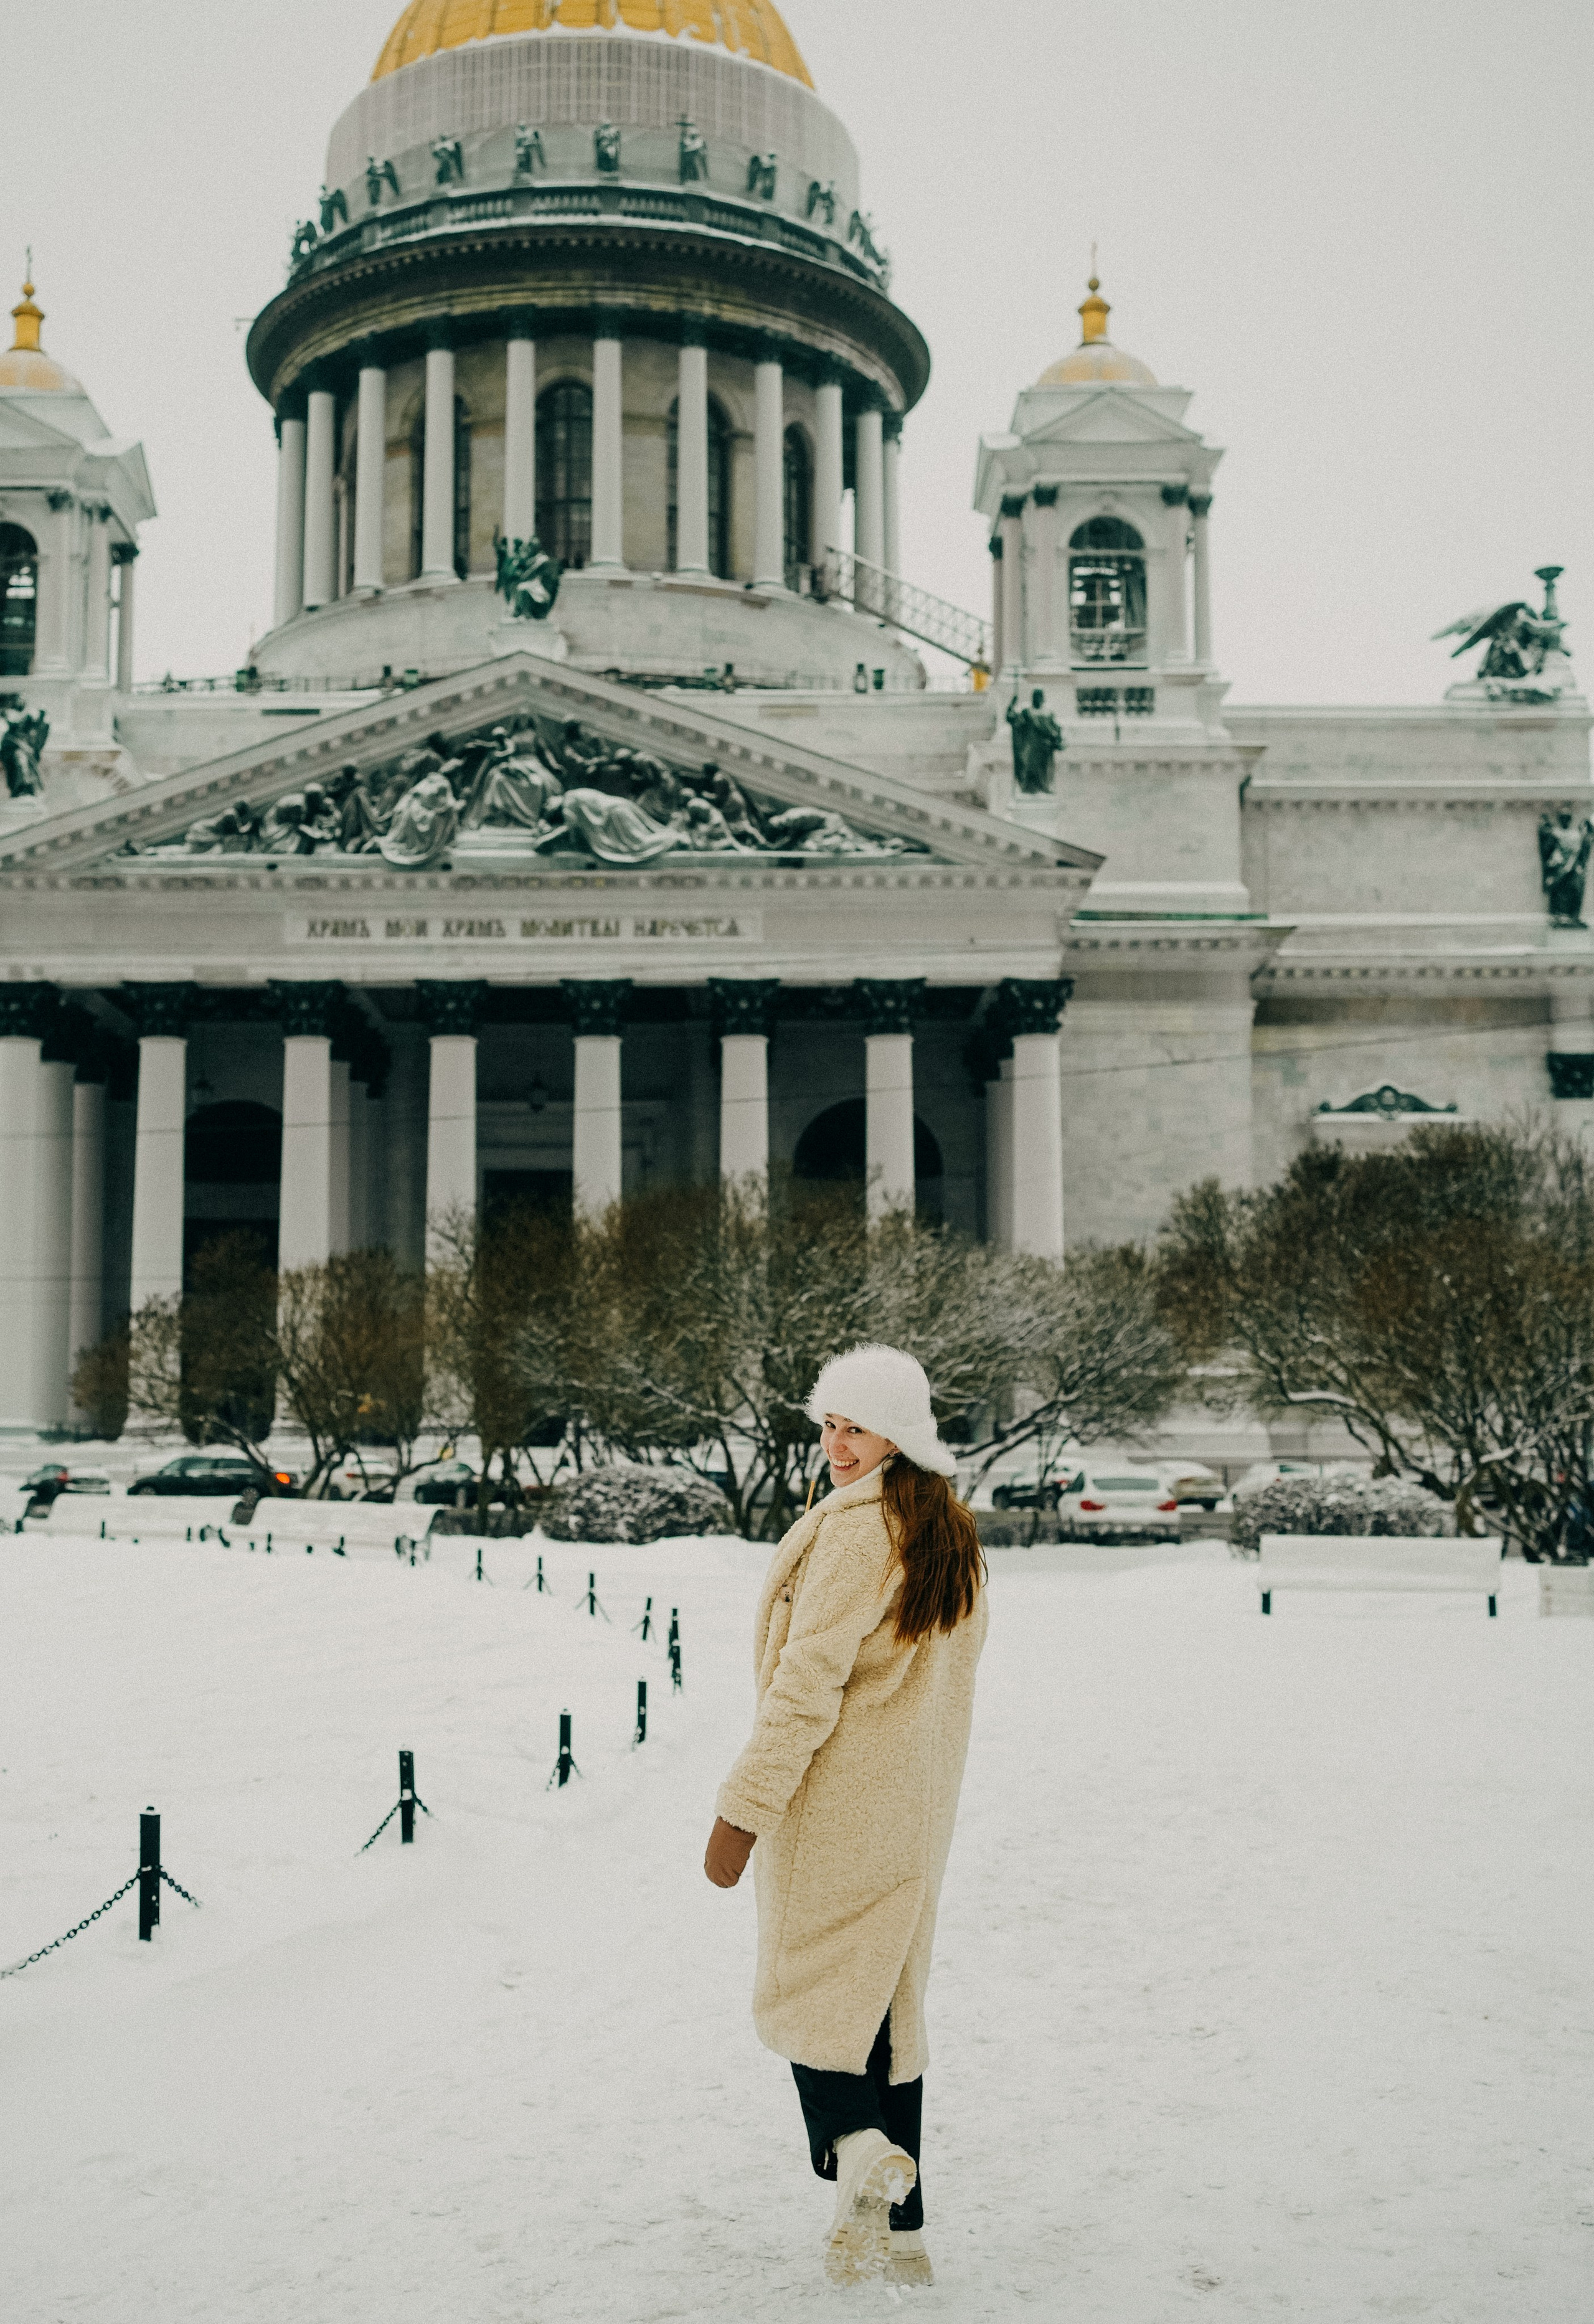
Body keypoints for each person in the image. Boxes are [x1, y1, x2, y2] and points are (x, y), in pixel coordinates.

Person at [705, 1344, 988, 2289]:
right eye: (828, 1424)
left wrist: (742, 1812)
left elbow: (804, 1687)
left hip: (834, 1806)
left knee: (805, 1999)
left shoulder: (861, 1533)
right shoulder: (949, 1533)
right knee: (885, 2017)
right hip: (912, 1810)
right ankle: (899, 2232)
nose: (837, 1443)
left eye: (855, 1426)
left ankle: (858, 2153)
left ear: (897, 1435)